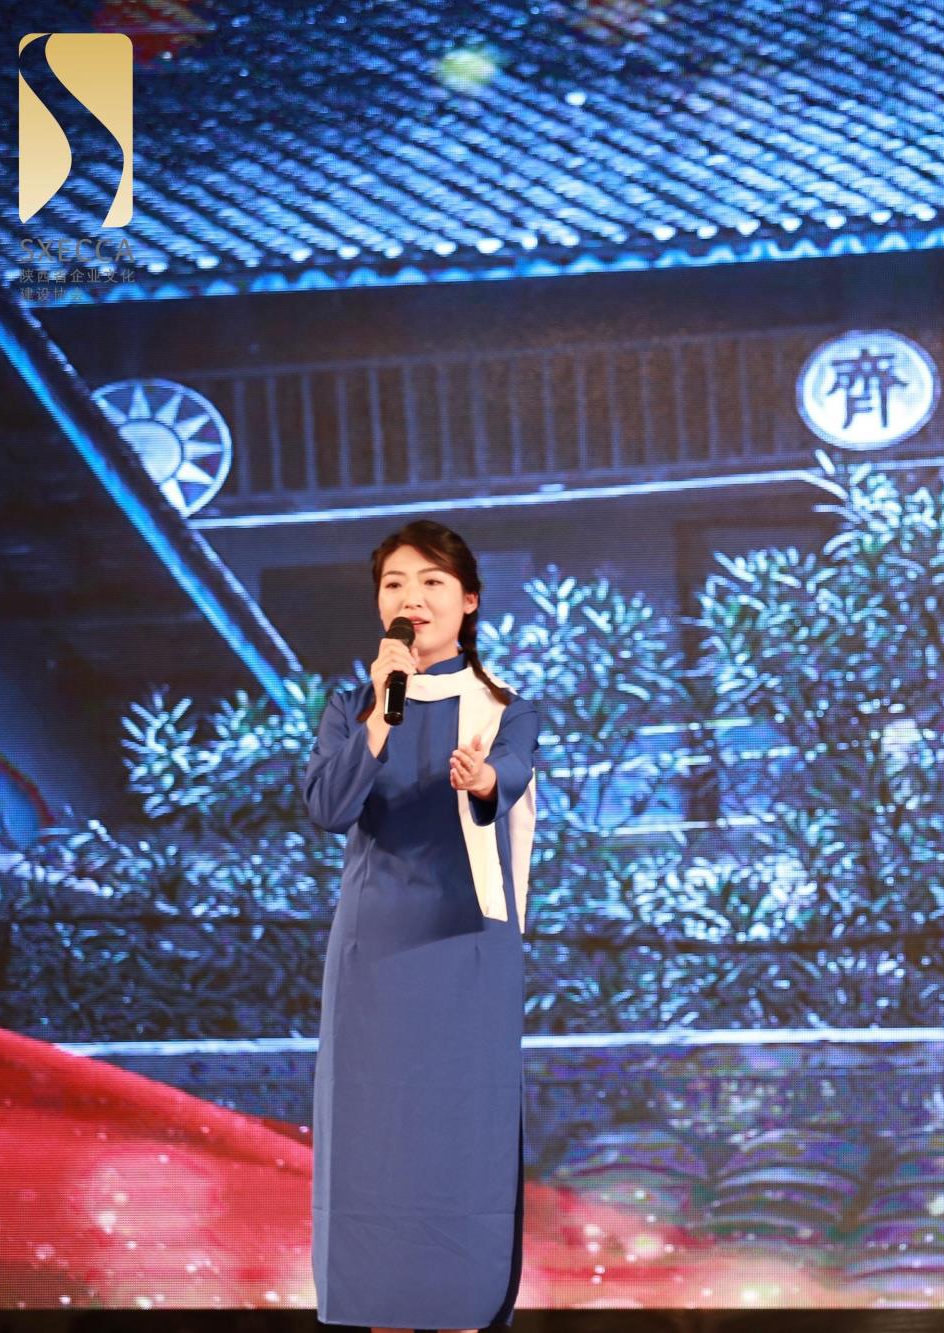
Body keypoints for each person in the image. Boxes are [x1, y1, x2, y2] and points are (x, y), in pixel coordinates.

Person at [303, 520, 539, 1332]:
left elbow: (510, 775)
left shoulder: (504, 708)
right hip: (374, 955)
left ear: (468, 600)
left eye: (433, 581)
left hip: (466, 949)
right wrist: (381, 714)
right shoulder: (351, 706)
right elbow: (328, 805)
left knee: (460, 1149)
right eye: (396, 583)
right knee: (374, 1157)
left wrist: (482, 777)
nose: (413, 596)